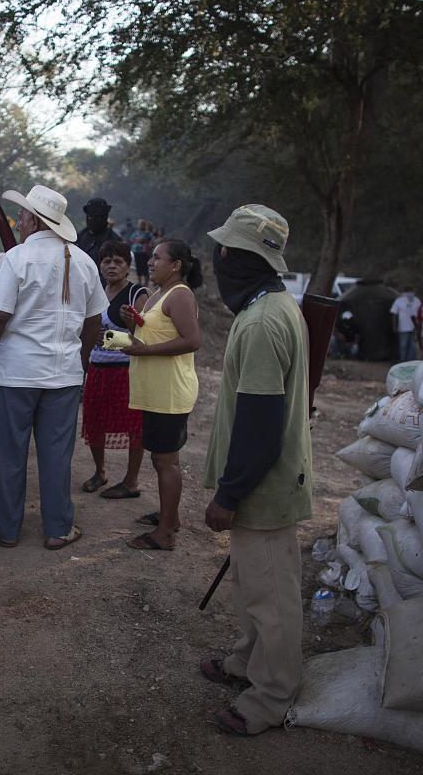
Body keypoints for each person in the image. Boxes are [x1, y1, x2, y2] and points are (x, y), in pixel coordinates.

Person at [199, 204, 312, 737]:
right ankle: (247, 663)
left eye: (225, 249)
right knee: (250, 582)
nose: (218, 257)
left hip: (262, 488)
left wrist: (229, 493)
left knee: (272, 595)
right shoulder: (265, 308)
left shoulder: (265, 321)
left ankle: (271, 695)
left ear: (239, 256)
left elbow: (261, 424)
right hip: (259, 486)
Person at [0, 184, 107, 550]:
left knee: (7, 455)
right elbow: (95, 321)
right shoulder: (84, 261)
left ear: (34, 220)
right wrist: (79, 361)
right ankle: (58, 529)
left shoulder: (17, 258)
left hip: (17, 374)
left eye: (22, 216)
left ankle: (6, 528)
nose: (19, 222)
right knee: (56, 455)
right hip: (63, 375)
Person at [123, 239, 202, 551]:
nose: (150, 262)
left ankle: (165, 533)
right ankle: (170, 517)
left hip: (170, 391)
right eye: (151, 257)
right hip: (157, 390)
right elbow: (158, 332)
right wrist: (135, 324)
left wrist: (146, 349)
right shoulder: (159, 293)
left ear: (176, 265)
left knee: (164, 461)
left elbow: (192, 340)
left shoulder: (180, 294)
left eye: (157, 257)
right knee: (164, 458)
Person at [81, 240, 148, 500]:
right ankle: (100, 472)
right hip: (97, 370)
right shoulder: (95, 290)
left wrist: (110, 337)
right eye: (106, 261)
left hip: (127, 372)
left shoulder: (137, 295)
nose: (112, 266)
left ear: (128, 267)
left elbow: (146, 340)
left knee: (134, 427)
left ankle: (131, 480)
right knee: (94, 423)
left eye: (118, 261)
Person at [73, 197, 121, 269]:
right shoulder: (80, 236)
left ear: (105, 217)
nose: (93, 220)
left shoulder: (113, 239)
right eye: (90, 217)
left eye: (98, 217)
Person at [390, 285, 421, 362]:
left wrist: (419, 326)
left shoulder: (417, 300)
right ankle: (402, 361)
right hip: (403, 328)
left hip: (414, 327)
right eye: (409, 292)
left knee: (413, 346)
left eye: (412, 292)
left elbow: (421, 313)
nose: (411, 293)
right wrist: (394, 326)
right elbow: (393, 313)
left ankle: (412, 362)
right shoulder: (399, 301)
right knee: (403, 346)